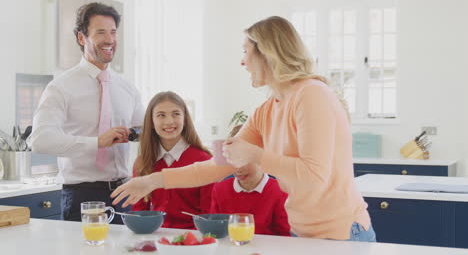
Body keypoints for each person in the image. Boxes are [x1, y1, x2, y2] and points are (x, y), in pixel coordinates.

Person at [111, 16, 376, 241]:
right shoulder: (268, 109)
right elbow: (219, 165)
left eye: (245, 52)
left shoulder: (311, 95)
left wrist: (257, 155)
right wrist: (154, 180)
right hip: (303, 233)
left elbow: (313, 177)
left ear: (267, 54)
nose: (242, 62)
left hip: (340, 234)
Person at [31, 2, 144, 224]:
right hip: (82, 196)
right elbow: (39, 140)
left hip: (125, 193)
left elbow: (144, 130)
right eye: (100, 32)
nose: (110, 40)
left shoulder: (128, 89)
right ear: (82, 38)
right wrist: (97, 142)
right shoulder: (61, 87)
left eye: (113, 32)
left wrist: (133, 133)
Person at [131, 91, 214, 229]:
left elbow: (208, 216)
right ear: (151, 122)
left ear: (185, 119)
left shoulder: (204, 160)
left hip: (193, 239)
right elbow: (140, 215)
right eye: (161, 115)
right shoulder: (142, 163)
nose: (169, 121)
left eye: (176, 114)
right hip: (156, 239)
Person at [210, 125, 290, 236]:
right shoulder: (219, 189)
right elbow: (216, 231)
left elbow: (284, 238)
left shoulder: (281, 191)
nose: (238, 168)